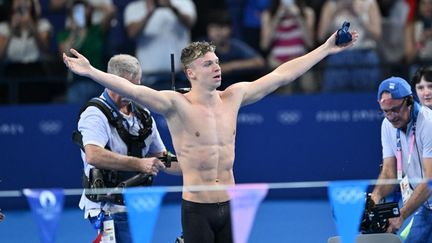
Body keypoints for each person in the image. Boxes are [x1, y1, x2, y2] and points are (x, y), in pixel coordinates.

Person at [63, 30, 358, 243]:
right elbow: (133, 90)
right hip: (197, 209)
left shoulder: (234, 96)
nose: (216, 67)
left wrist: (326, 48)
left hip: (230, 205)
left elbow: (282, 75)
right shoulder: (175, 105)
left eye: (216, 62)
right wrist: (91, 72)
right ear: (190, 73)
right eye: (208, 64)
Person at [76, 54, 181, 243]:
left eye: (136, 86)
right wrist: (139, 164)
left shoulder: (143, 115)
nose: (131, 92)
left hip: (136, 202)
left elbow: (162, 157)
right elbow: (93, 155)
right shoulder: (94, 114)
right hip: (106, 205)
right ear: (111, 82)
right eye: (126, 86)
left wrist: (194, 168)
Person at [371, 77, 432, 242]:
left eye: (395, 109)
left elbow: (430, 181)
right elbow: (389, 172)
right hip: (426, 206)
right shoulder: (387, 125)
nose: (390, 116)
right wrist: (374, 198)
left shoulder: (428, 124)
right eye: (385, 111)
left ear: (409, 102)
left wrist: (402, 215)